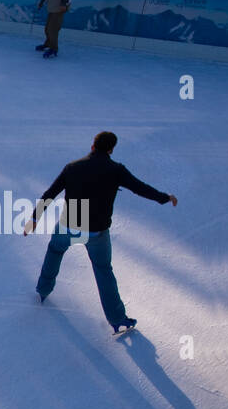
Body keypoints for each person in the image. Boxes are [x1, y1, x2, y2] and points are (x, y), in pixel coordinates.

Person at [24, 131, 178, 333]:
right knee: (103, 270)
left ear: (92, 146)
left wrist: (34, 219)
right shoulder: (116, 170)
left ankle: (43, 290)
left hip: (68, 226)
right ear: (111, 149)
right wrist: (164, 197)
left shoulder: (72, 167)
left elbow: (49, 194)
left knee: (55, 250)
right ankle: (117, 319)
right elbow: (140, 188)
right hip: (97, 232)